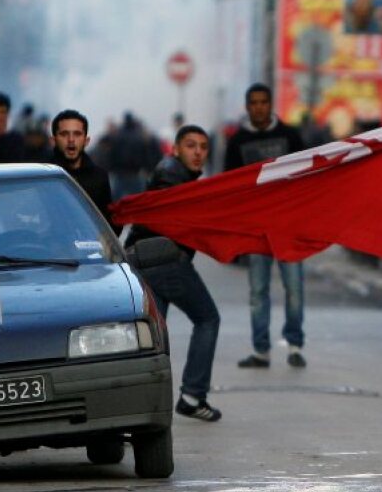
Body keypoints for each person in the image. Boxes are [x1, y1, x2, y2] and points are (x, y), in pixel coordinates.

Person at [126, 125, 222, 422]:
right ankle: (192, 395)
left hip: (146, 261)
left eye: (203, 147)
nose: (198, 152)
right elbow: (174, 208)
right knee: (207, 319)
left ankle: (136, 411)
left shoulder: (179, 175)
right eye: (191, 145)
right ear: (176, 149)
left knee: (154, 339)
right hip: (166, 262)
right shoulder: (171, 175)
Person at [224, 83, 308, 368]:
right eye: (254, 103)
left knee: (294, 288)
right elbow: (228, 187)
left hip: (288, 226)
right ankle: (261, 350)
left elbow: (308, 177)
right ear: (247, 107)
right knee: (258, 291)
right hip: (255, 229)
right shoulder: (237, 142)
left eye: (263, 102)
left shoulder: (290, 136)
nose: (259, 107)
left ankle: (295, 344)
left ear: (271, 105)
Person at [50, 109, 115, 226]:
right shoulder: (43, 176)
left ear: (86, 141)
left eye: (77, 134)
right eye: (64, 134)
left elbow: (108, 224)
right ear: (53, 140)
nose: (71, 140)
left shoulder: (99, 177)